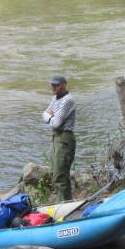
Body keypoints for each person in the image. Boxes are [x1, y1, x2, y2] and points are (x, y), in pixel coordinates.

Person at [42, 74, 76, 202]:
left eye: (56, 85)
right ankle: (64, 201)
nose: (53, 87)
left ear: (64, 85)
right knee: (54, 172)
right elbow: (44, 113)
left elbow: (56, 123)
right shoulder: (55, 98)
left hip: (65, 138)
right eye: (52, 84)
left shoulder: (67, 100)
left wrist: (50, 117)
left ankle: (65, 204)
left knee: (60, 175)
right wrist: (50, 116)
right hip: (56, 137)